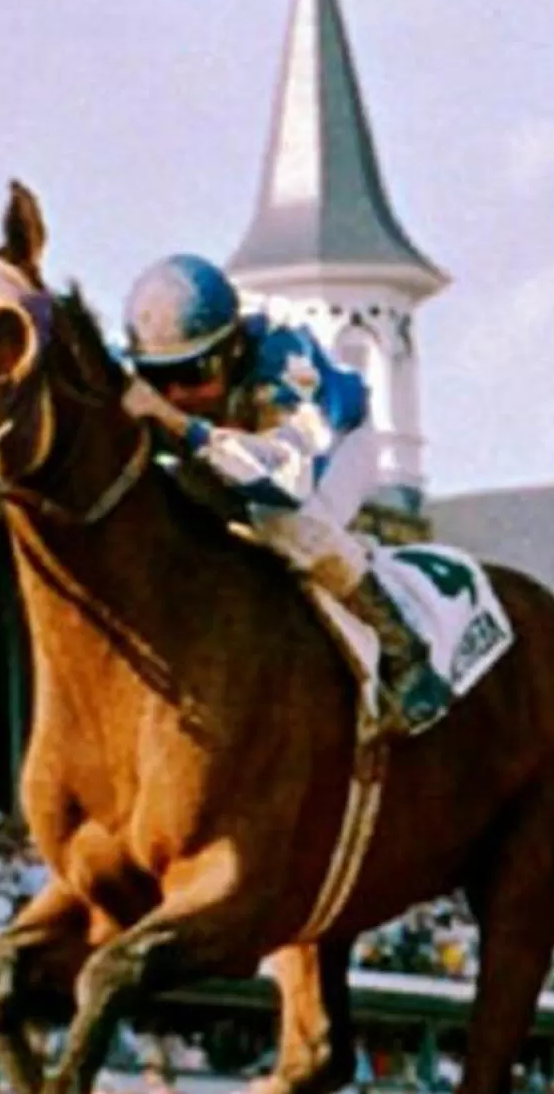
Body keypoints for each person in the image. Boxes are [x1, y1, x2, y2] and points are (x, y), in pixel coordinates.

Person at [113, 254, 451, 737]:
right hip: (234, 450)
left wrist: (178, 425)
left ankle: (402, 648)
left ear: (231, 350)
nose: (176, 392)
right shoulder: (149, 363)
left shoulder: (286, 362)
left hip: (332, 450)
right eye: (157, 378)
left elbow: (287, 479)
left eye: (192, 374)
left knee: (279, 520)